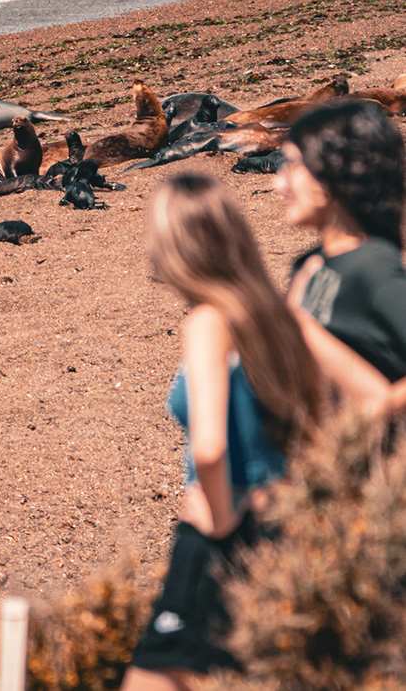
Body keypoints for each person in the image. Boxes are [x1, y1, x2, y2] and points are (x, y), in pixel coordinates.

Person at [122, 173, 322, 691]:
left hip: (221, 530)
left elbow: (209, 448)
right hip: (280, 524)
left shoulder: (208, 322)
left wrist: (221, 520)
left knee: (154, 676)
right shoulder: (273, 314)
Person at [273, 99, 406, 414]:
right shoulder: (310, 264)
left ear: (330, 173)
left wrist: (379, 408)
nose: (278, 184)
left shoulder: (373, 269)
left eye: (293, 165)